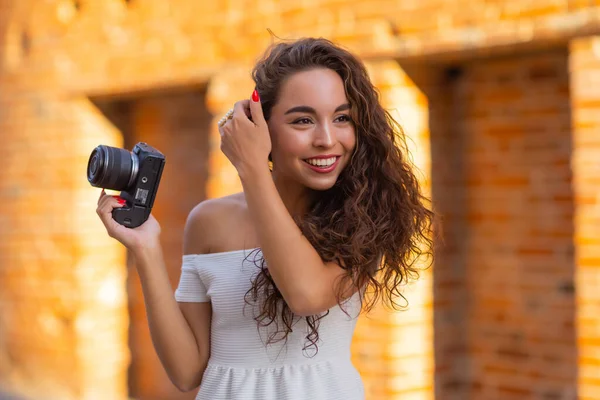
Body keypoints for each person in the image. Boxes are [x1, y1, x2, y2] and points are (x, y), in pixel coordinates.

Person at [96, 37, 434, 400]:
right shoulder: (209, 221)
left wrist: (252, 168)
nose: (326, 139)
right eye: (303, 120)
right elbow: (186, 371)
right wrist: (145, 249)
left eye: (342, 118)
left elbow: (305, 294)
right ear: (261, 127)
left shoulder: (364, 215)